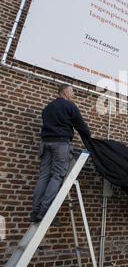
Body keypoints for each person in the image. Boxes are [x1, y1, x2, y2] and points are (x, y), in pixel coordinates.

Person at [30, 84, 91, 225]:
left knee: (44, 176)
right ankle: (44, 211)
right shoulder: (69, 106)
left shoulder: (47, 108)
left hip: (45, 144)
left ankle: (35, 211)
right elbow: (81, 126)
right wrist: (89, 138)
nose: (73, 94)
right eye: (72, 91)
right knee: (57, 176)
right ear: (64, 92)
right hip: (61, 144)